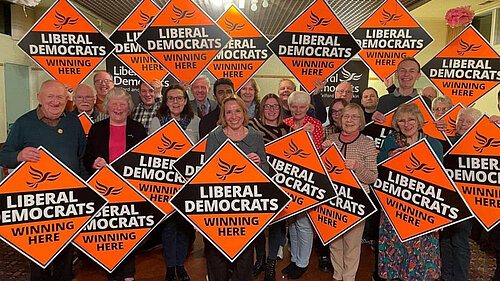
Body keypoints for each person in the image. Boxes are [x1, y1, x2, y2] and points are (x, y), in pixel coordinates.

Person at [0, 79, 87, 281]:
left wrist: (84, 189)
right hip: (37, 202)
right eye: (50, 96)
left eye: (60, 97)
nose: (55, 102)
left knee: (66, 257)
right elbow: (3, 155)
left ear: (67, 99)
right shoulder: (24, 123)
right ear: (39, 98)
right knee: (39, 258)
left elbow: (81, 156)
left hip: (68, 201)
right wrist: (19, 156)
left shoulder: (73, 122)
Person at [83, 87, 147, 281]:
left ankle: (129, 274)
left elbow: (144, 160)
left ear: (128, 108)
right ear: (107, 106)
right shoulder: (97, 128)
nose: (118, 108)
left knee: (129, 232)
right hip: (104, 190)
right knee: (110, 233)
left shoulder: (137, 129)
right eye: (114, 104)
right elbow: (87, 158)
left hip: (130, 190)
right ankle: (112, 271)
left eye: (122, 104)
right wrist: (94, 163)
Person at [205, 95, 269, 281]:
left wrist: (257, 164)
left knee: (244, 257)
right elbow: (208, 173)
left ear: (244, 112)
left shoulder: (256, 136)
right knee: (217, 257)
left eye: (237, 111)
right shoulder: (215, 136)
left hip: (246, 206)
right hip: (219, 206)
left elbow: (266, 169)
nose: (234, 116)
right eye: (229, 112)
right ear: (224, 116)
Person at [377, 103, 442, 281]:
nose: (406, 124)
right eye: (402, 121)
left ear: (419, 121)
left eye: (411, 119)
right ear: (397, 124)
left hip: (423, 206)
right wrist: (389, 156)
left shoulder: (433, 144)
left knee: (421, 253)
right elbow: (378, 165)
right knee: (395, 249)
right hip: (395, 205)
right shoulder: (391, 140)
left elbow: (440, 180)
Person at [149, 84, 200, 281]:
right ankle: (171, 267)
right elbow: (151, 150)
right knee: (169, 227)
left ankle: (181, 265)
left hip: (187, 182)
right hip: (164, 183)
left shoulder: (196, 121)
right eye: (171, 98)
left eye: (179, 98)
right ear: (165, 101)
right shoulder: (156, 121)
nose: (175, 102)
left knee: (185, 226)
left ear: (186, 100)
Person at [322, 103, 377, 281]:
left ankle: (349, 277)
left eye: (354, 117)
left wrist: (357, 167)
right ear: (340, 118)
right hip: (333, 199)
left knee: (352, 244)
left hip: (357, 200)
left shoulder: (367, 143)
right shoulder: (332, 140)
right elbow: (321, 172)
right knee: (335, 241)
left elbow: (371, 177)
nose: (349, 120)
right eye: (346, 116)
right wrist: (323, 153)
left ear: (361, 121)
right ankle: (338, 275)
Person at [248, 93, 291, 281]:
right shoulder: (251, 127)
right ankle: (261, 259)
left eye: (275, 106)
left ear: (280, 110)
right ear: (261, 108)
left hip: (279, 184)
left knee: (276, 225)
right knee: (257, 225)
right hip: (256, 182)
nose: (271, 110)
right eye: (267, 106)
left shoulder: (288, 130)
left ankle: (272, 261)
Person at [281, 91, 323, 279]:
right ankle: (295, 259)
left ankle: (303, 262)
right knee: (291, 222)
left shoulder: (316, 125)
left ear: (308, 108)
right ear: (289, 107)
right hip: (287, 179)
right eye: (294, 106)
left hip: (307, 179)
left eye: (302, 106)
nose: (298, 110)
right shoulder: (285, 123)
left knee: (304, 223)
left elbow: (314, 153)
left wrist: (305, 135)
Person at [439, 107, 481, 281]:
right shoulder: (446, 142)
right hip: (445, 199)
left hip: (467, 202)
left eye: (467, 121)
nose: (462, 124)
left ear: (477, 124)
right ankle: (446, 276)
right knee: (445, 240)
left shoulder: (481, 145)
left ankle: (460, 278)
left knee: (459, 240)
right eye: (460, 120)